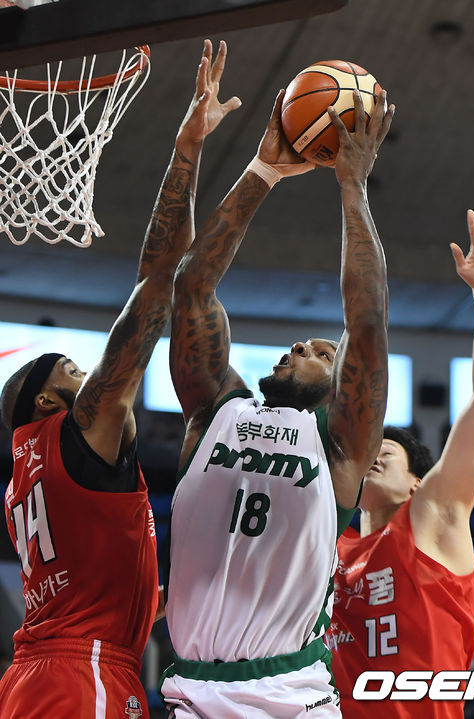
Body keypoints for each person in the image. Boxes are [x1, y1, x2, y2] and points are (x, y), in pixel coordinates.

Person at [0, 40, 240, 719]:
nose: (96, 375)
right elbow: (157, 281)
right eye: (75, 370)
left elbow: (92, 566)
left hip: (33, 674)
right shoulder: (78, 430)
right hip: (87, 674)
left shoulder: (22, 479)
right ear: (48, 399)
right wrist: (187, 149)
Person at [159, 87, 394, 718]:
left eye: (320, 350)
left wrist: (352, 188)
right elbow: (192, 286)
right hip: (192, 692)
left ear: (343, 378)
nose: (299, 345)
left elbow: (367, 323)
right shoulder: (216, 410)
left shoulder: (340, 443)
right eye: (300, 343)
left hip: (290, 695)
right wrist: (263, 170)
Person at [326, 204, 474, 718]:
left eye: (386, 453)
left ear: (418, 483)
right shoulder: (330, 546)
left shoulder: (432, 516)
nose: (371, 458)